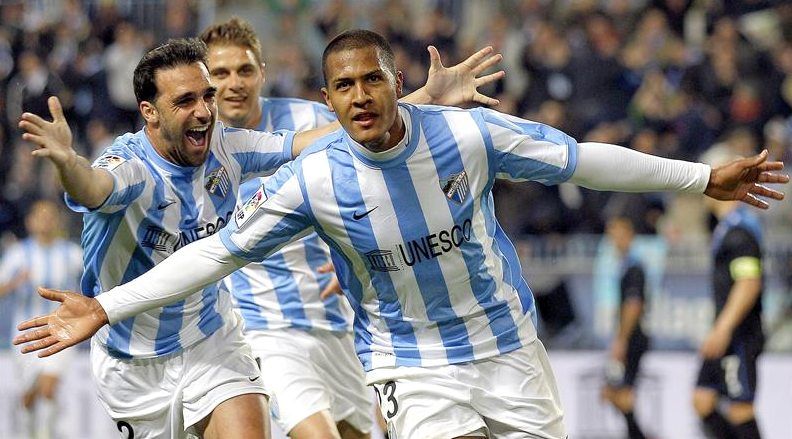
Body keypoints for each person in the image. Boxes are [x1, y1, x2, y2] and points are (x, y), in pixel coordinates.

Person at [14, 30, 788, 439]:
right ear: (327, 96)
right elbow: (208, 247)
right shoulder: (308, 180)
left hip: (507, 344)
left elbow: (584, 161)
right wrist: (104, 306)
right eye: (342, 86)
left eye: (372, 81)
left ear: (394, 82)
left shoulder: (467, 136)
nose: (358, 96)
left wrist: (697, 177)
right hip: (409, 363)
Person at [14, 36, 502, 439]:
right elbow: (96, 188)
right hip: (133, 362)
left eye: (205, 95)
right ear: (150, 112)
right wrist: (67, 163)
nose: (205, 110)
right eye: (185, 101)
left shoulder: (229, 148)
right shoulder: (130, 167)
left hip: (212, 340)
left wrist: (421, 100)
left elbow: (325, 140)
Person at [200, 18, 359, 439]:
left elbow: (370, 178)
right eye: (220, 73)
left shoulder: (308, 121)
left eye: (244, 70)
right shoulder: (197, 149)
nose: (234, 83)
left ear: (262, 72)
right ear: (203, 80)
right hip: (261, 328)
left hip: (337, 320)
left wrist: (356, 257)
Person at [692, 151, 767, 439]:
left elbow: (749, 282)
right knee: (702, 400)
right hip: (725, 330)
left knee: (740, 409)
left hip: (739, 332)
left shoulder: (740, 232)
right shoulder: (727, 229)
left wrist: (723, 328)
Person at [0, 200, 82, 439]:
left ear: (57, 221)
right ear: (30, 221)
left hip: (62, 332)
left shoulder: (72, 253)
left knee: (48, 387)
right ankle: (29, 433)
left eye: (50, 215)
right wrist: (16, 282)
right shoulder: (18, 253)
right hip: (26, 335)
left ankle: (46, 435)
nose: (45, 220)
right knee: (28, 395)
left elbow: (94, 282)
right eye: (40, 216)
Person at [600, 216, 650, 439]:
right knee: (613, 393)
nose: (614, 240)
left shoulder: (634, 268)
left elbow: (634, 305)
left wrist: (621, 339)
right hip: (629, 336)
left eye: (619, 234)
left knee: (622, 394)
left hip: (633, 337)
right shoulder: (625, 266)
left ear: (629, 236)